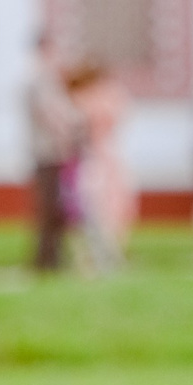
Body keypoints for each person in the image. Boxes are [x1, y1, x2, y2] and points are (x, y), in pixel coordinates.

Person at [65, 63, 135, 275]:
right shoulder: (104, 98)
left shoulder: (85, 100)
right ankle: (105, 252)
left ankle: (103, 253)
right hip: (101, 158)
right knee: (101, 207)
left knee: (102, 207)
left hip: (98, 158)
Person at [25, 34, 81, 273]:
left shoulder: (53, 80)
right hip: (47, 153)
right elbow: (48, 115)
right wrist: (65, 136)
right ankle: (46, 258)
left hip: (57, 153)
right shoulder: (37, 81)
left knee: (59, 207)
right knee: (49, 207)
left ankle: (55, 255)